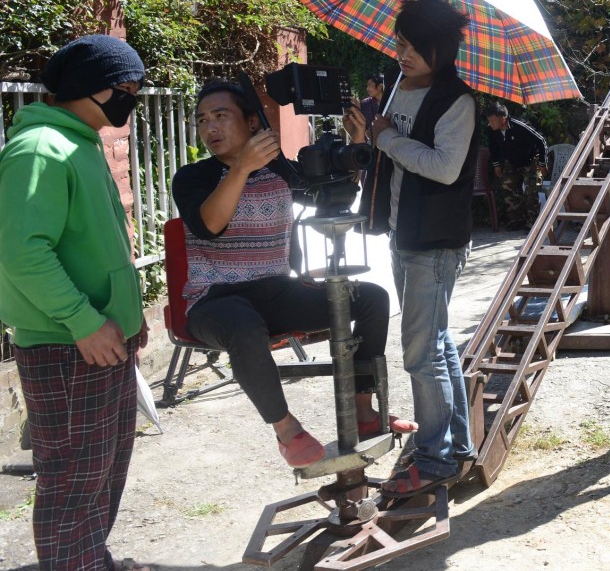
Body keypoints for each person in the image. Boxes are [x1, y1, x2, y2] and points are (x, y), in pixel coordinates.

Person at [171, 80, 414, 470]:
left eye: (221, 117)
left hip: (276, 291)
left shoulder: (277, 172)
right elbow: (208, 226)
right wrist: (242, 168)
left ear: (252, 123)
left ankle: (364, 410)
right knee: (245, 326)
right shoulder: (192, 177)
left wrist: (352, 145)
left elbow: (330, 196)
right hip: (214, 299)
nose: (210, 128)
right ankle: (287, 430)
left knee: (372, 298)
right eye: (203, 120)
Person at [0, 35, 151, 570]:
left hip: (100, 340)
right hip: (69, 347)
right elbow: (20, 252)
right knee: (73, 483)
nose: (131, 99)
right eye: (124, 89)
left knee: (102, 473)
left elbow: (94, 244)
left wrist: (129, 317)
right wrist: (83, 321)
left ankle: (89, 560)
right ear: (90, 88)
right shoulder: (40, 148)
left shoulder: (78, 143)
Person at [351, 0, 478, 497]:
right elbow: (388, 153)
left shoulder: (458, 102)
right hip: (403, 234)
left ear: (440, 50)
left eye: (413, 48)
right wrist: (367, 135)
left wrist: (385, 139)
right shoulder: (398, 91)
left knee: (420, 355)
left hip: (436, 243)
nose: (402, 55)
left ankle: (434, 457)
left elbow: (444, 167)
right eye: (399, 44)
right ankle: (457, 447)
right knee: (439, 345)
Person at [484, 101, 548, 230]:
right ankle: (516, 220)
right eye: (488, 120)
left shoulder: (519, 126)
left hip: (530, 160)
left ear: (503, 118)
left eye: (492, 120)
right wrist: (496, 166)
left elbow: (541, 141)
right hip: (511, 161)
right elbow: (493, 148)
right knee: (508, 187)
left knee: (531, 191)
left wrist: (542, 163)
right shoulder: (492, 130)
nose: (490, 123)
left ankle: (533, 223)